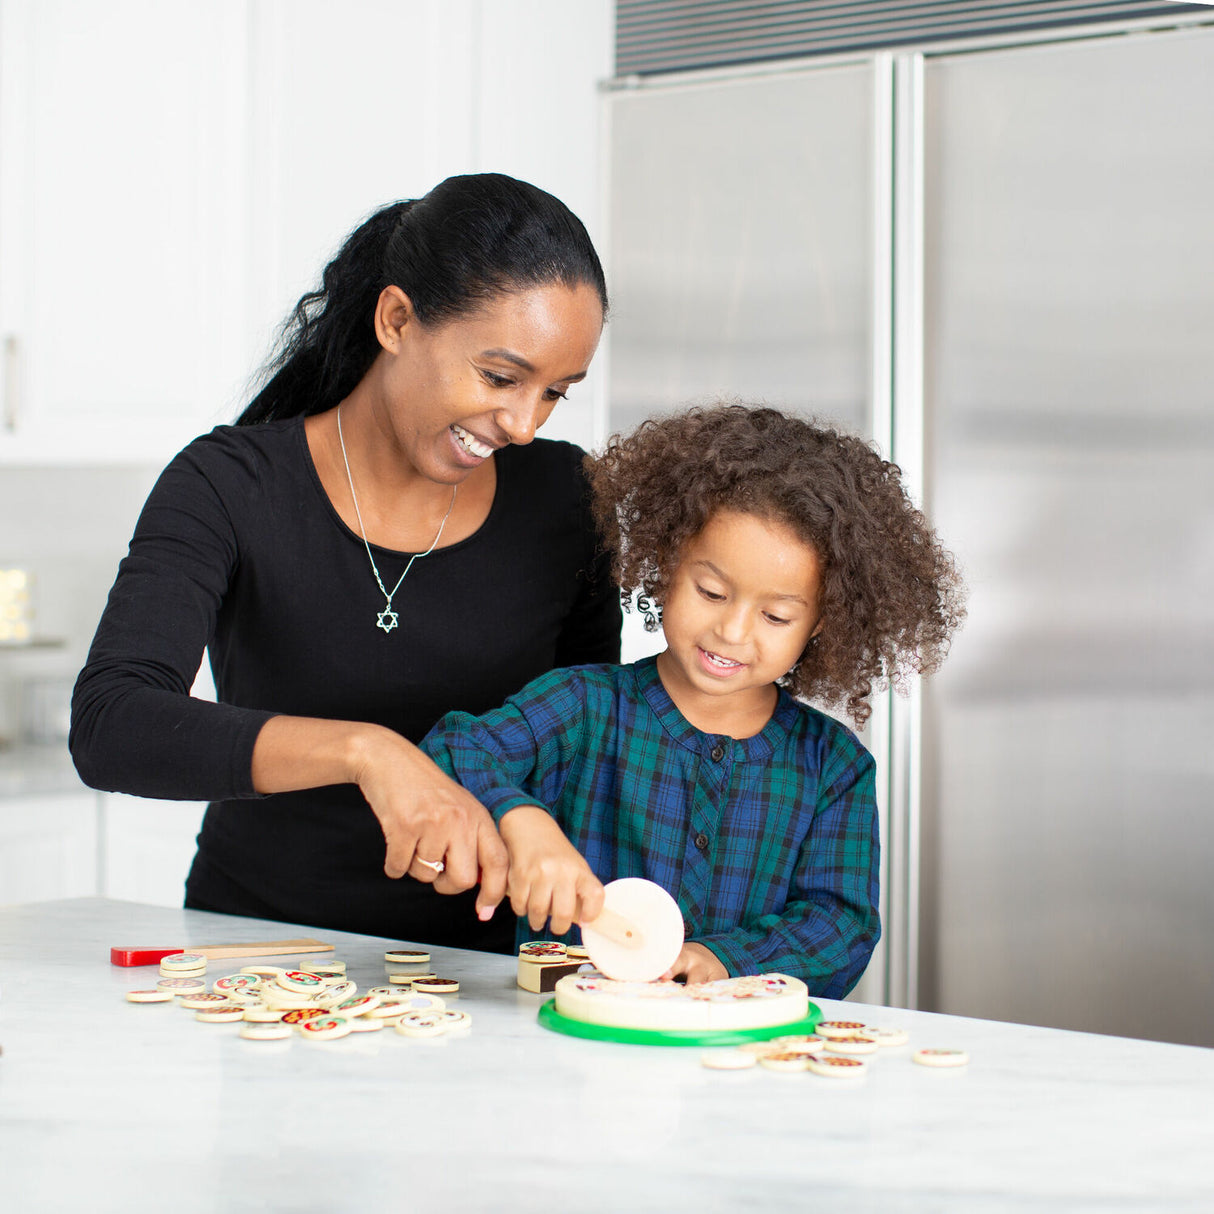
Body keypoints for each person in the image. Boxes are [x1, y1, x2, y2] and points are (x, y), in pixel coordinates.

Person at [70, 172, 620, 953]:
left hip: (490, 978)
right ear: (397, 320)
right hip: (258, 960)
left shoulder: (567, 502)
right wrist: (369, 753)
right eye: (500, 377)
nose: (524, 424)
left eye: (555, 393)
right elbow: (110, 724)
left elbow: (592, 738)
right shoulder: (227, 485)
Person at [420, 404, 966, 994]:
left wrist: (726, 958)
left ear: (823, 624)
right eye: (711, 591)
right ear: (666, 563)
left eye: (776, 615)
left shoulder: (833, 767)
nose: (732, 631)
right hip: (568, 1042)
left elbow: (842, 925)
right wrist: (519, 817)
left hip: (741, 1062)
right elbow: (456, 750)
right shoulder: (584, 706)